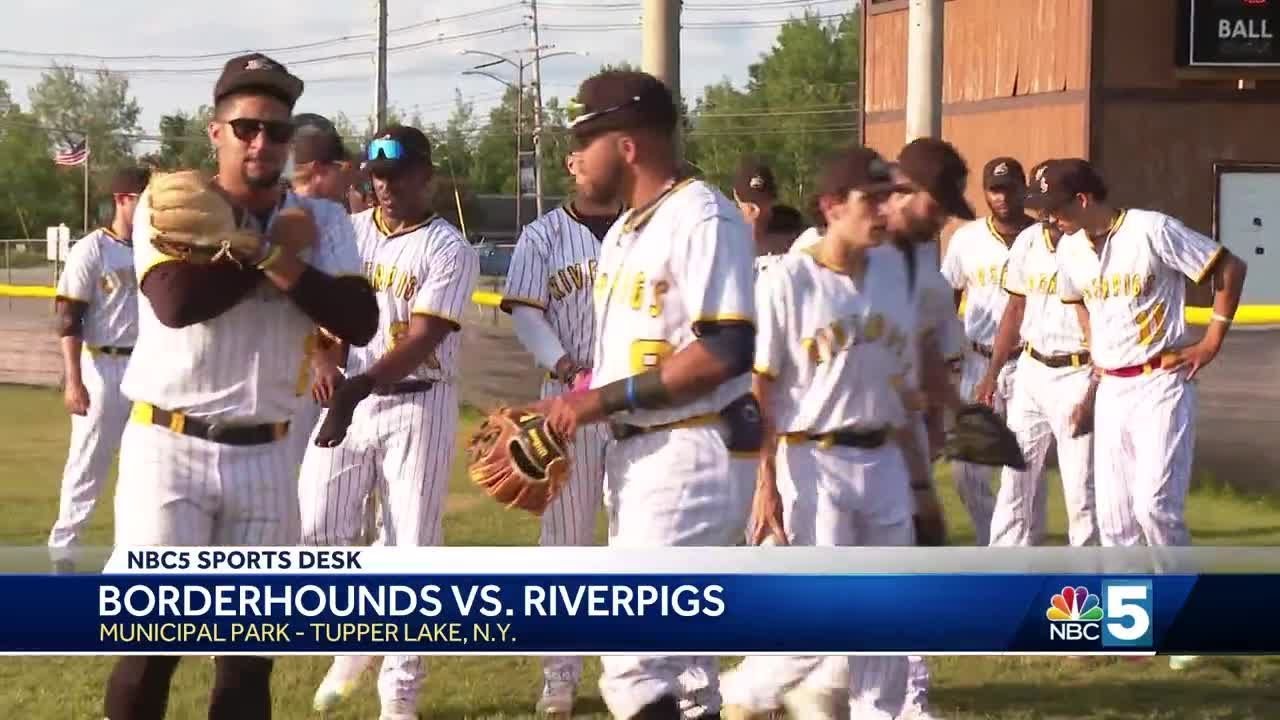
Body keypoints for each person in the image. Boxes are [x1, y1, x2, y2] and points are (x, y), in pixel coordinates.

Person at [104, 52, 378, 720]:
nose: (263, 142)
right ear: (216, 131)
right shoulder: (173, 201)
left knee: (249, 657)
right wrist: (268, 249)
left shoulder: (325, 219)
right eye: (247, 126)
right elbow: (176, 301)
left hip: (269, 451)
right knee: (152, 643)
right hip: (170, 446)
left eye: (277, 131)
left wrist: (276, 251)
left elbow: (358, 320)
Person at [536, 69, 758, 720]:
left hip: (690, 448)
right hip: (642, 452)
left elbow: (724, 349)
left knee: (631, 661)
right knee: (686, 675)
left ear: (628, 144)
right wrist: (566, 407)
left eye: (587, 138)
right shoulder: (629, 231)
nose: (575, 157)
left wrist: (592, 404)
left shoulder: (702, 215)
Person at [721, 145, 922, 720]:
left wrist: (919, 480)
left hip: (882, 455)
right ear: (833, 206)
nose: (885, 210)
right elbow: (761, 391)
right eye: (872, 199)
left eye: (890, 198)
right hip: (814, 458)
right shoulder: (789, 281)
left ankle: (877, 713)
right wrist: (766, 484)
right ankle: (745, 697)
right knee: (822, 614)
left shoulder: (893, 274)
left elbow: (900, 384)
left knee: (890, 611)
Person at [1030, 158, 1247, 671]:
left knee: (1155, 506)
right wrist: (1095, 365)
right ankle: (1134, 633)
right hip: (1112, 387)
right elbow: (1079, 300)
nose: (1049, 220)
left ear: (1082, 200)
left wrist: (1211, 341)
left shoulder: (1152, 229)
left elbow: (1228, 267)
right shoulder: (1071, 249)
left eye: (1055, 209)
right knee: (1116, 518)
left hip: (1160, 380)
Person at [302, 124, 480, 720]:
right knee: (317, 528)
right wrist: (325, 359)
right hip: (351, 398)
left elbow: (426, 335)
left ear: (425, 176)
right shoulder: (349, 234)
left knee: (411, 546)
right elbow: (320, 319)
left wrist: (358, 385)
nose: (384, 184)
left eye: (397, 174)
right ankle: (360, 637)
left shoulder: (449, 247)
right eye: (376, 174)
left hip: (419, 404)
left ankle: (400, 696)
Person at [500, 150, 621, 717]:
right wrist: (570, 368)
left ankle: (637, 672)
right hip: (569, 407)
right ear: (573, 163)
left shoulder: (644, 226)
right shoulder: (543, 235)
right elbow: (526, 313)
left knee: (639, 541)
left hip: (636, 405)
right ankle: (560, 676)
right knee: (564, 545)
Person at [976, 160, 1098, 547]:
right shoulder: (1029, 242)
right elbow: (1014, 309)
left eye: (1051, 202)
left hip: (1077, 370)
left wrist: (1096, 384)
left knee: (1080, 487)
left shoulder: (1094, 246)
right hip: (1031, 368)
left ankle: (1089, 577)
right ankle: (1001, 573)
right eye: (1041, 202)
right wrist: (992, 373)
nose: (1045, 211)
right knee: (1015, 478)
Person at [48, 165, 150, 572]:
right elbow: (69, 317)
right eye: (144, 197)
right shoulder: (93, 248)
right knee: (88, 463)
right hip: (102, 365)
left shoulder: (152, 247)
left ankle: (128, 556)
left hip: (145, 367)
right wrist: (73, 381)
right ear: (124, 199)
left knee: (143, 467)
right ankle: (63, 552)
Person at [937, 157, 1036, 546]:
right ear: (984, 192)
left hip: (1031, 363)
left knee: (1026, 470)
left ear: (1023, 189)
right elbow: (948, 296)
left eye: (1010, 187)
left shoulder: (1048, 238)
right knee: (965, 470)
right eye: (995, 189)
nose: (1003, 196)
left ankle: (1021, 552)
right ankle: (991, 543)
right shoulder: (967, 238)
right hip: (979, 361)